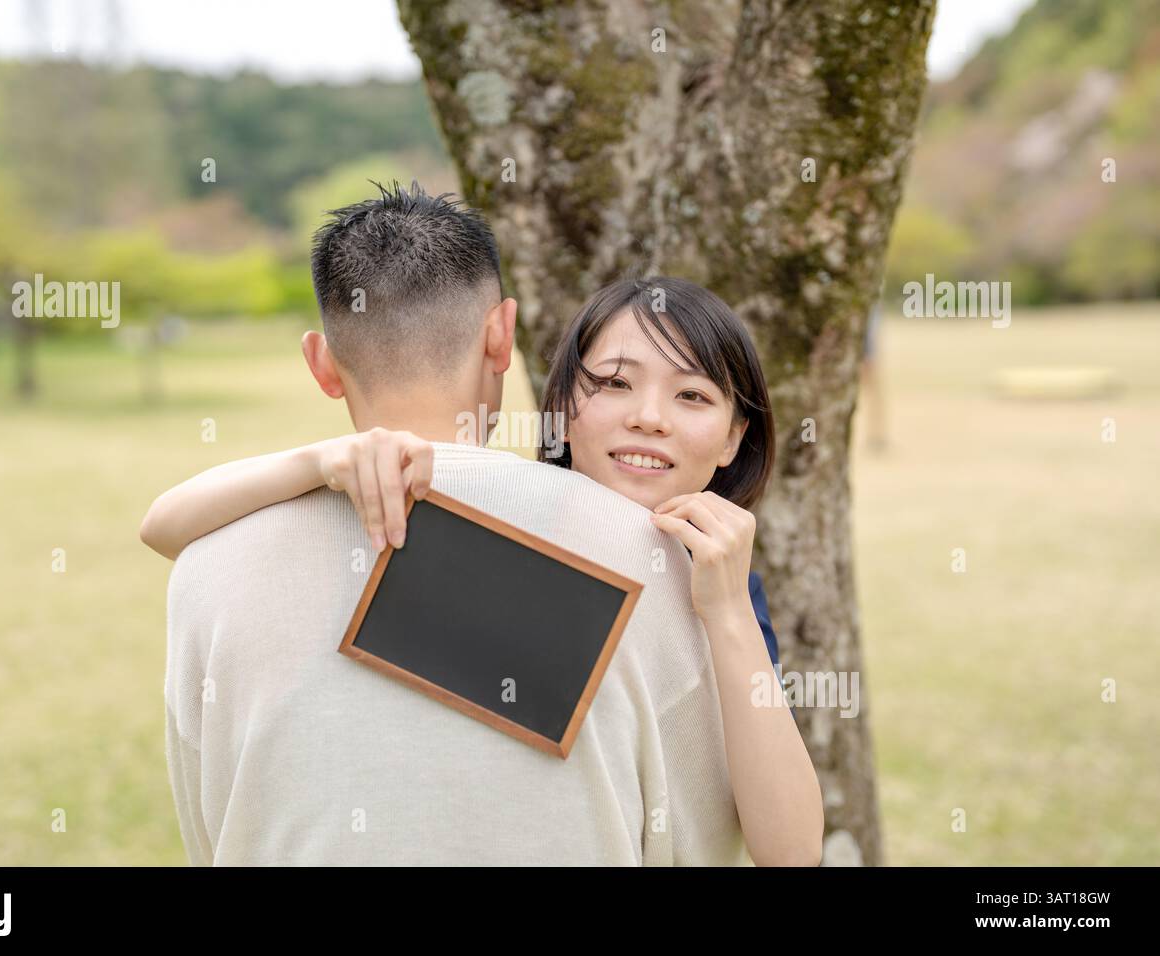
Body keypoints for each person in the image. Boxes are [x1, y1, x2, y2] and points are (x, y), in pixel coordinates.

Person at [153, 181, 822, 865]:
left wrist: (730, 614)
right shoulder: (591, 555)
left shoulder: (704, 585)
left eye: (691, 395)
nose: (649, 416)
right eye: (615, 382)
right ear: (510, 346)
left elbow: (791, 848)